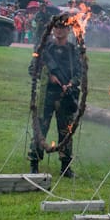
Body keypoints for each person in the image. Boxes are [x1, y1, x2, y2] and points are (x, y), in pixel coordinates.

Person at [28, 23, 83, 176]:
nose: (59, 30)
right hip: (47, 95)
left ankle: (66, 166)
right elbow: (32, 69)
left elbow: (80, 73)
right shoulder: (44, 49)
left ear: (68, 30)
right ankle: (34, 163)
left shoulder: (73, 51)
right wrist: (48, 76)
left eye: (63, 28)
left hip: (66, 97)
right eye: (57, 27)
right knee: (40, 129)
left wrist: (71, 83)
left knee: (66, 132)